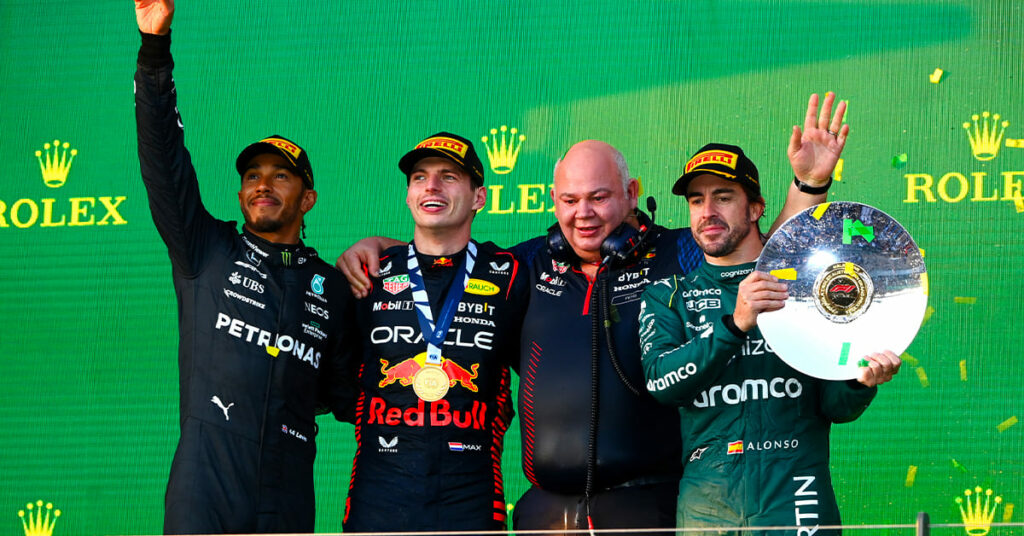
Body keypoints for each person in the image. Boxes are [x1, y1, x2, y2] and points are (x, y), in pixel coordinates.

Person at [337, 93, 848, 533]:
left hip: (648, 503)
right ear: (554, 203)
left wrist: (807, 187)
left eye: (599, 197)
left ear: (630, 194)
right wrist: (381, 247)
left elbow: (759, 250)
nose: (584, 213)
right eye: (570, 200)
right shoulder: (527, 263)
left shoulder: (676, 253)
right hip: (545, 511)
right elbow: (445, 258)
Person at [134, 1, 355, 533]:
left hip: (289, 492)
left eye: (281, 176)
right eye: (253, 174)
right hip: (205, 487)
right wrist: (154, 51)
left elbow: (349, 395)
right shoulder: (204, 250)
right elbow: (163, 156)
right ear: (239, 193)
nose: (263, 183)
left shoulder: (333, 287)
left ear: (308, 199)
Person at [638, 142, 901, 535]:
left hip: (798, 496)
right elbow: (662, 383)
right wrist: (735, 324)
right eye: (697, 201)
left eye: (723, 197)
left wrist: (858, 380)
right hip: (708, 506)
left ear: (756, 208)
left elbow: (835, 407)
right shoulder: (668, 295)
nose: (707, 212)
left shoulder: (807, 288)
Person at [342, 132, 527, 532]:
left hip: (471, 498)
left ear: (479, 197)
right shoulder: (368, 273)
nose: (432, 186)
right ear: (409, 196)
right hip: (378, 497)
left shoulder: (511, 274)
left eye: (449, 176)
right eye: (420, 177)